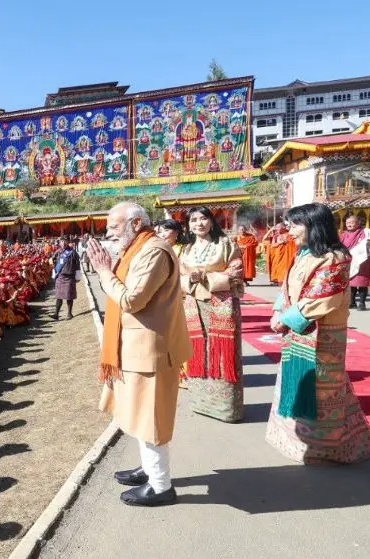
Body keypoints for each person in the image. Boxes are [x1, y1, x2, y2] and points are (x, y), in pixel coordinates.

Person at [84, 202, 191, 507]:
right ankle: (149, 469)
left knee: (151, 419)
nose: (109, 234)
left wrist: (104, 271)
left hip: (151, 350)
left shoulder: (153, 251)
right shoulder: (139, 248)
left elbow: (132, 299)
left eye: (114, 228)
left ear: (134, 224)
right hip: (136, 348)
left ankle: (161, 486)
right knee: (141, 415)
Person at [266, 203, 370, 464]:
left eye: (295, 224)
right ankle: (297, 441)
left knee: (323, 389)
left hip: (323, 332)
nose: (289, 229)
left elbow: (323, 298)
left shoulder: (335, 258)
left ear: (314, 226)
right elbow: (286, 288)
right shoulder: (303, 254)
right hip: (296, 329)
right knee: (300, 382)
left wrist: (285, 318)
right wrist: (277, 311)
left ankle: (326, 450)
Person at [178, 206, 246, 423]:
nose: (199, 223)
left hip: (221, 303)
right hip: (193, 305)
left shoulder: (226, 244)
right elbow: (177, 277)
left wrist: (206, 276)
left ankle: (226, 409)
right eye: (194, 220)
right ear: (188, 225)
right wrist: (190, 279)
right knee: (198, 352)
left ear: (211, 221)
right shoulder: (186, 250)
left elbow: (236, 271)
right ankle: (201, 402)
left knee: (223, 353)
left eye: (203, 218)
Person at [339, 214, 370, 311]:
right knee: (350, 282)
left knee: (361, 282)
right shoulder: (343, 235)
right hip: (349, 261)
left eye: (351, 222)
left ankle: (362, 303)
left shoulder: (366, 232)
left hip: (363, 261)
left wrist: (367, 253)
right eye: (347, 223)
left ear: (358, 223)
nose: (349, 225)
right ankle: (352, 302)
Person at [52, 237, 82, 320]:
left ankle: (69, 313)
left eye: (65, 241)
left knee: (69, 296)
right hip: (60, 277)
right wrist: (54, 269)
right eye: (62, 241)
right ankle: (56, 314)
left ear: (68, 242)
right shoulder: (57, 252)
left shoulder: (73, 252)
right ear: (59, 242)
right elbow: (52, 260)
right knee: (59, 296)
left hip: (69, 277)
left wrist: (77, 275)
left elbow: (77, 264)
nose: (63, 243)